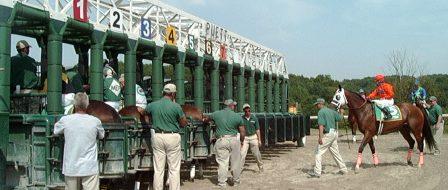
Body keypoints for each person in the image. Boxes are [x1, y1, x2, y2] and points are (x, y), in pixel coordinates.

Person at [53, 92, 104, 189]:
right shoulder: (95, 121)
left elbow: (56, 130)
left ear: (74, 105)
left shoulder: (65, 120)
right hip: (89, 166)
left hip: (71, 166)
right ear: (87, 105)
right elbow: (102, 135)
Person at [146, 83, 188, 190]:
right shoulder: (176, 106)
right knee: (174, 169)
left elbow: (143, 112)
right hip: (172, 137)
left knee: (158, 169)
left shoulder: (153, 105)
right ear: (173, 94)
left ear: (163, 92)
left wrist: (149, 122)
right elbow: (184, 123)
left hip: (158, 136)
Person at [210, 99, 245, 187]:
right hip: (233, 139)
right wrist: (241, 141)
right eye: (234, 105)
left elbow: (206, 119)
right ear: (232, 106)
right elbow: (242, 132)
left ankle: (222, 183)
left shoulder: (216, 114)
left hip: (221, 140)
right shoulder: (237, 116)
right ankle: (236, 181)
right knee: (236, 162)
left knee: (222, 163)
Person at [309, 98, 348, 178]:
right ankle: (344, 169)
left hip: (328, 134)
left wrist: (320, 137)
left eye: (317, 104)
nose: (316, 106)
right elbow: (340, 118)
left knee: (318, 152)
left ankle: (317, 172)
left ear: (320, 104)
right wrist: (341, 112)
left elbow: (321, 126)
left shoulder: (320, 112)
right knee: (335, 153)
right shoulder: (331, 111)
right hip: (334, 133)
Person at [240, 103, 264, 173]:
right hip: (245, 138)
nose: (247, 112)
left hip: (253, 137)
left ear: (250, 110)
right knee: (242, 154)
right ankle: (239, 170)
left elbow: (258, 130)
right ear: (244, 111)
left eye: (248, 110)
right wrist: (240, 141)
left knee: (256, 154)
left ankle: (261, 167)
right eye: (246, 110)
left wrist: (259, 140)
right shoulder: (241, 119)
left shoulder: (254, 118)